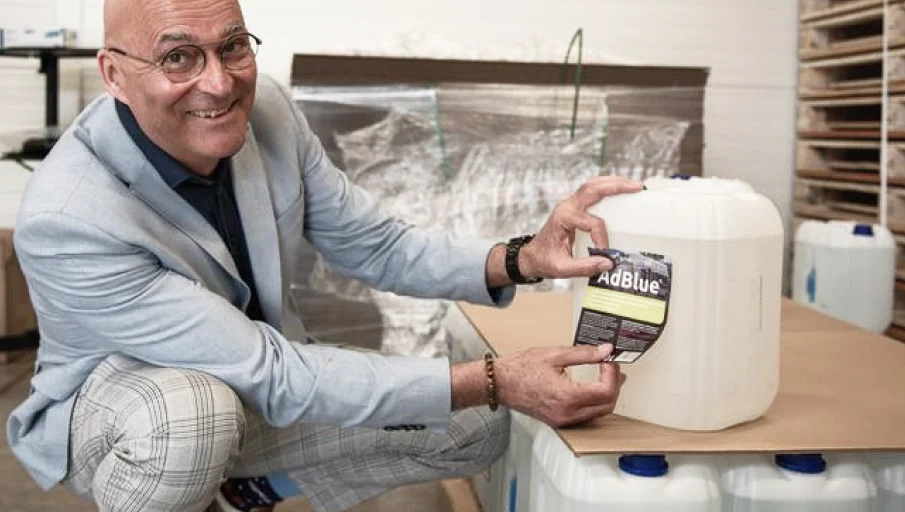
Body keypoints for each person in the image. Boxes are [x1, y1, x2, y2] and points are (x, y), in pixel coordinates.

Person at [7, 0, 642, 511]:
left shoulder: (268, 112)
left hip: (250, 377)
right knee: (193, 415)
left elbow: (377, 243)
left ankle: (246, 491)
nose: (218, 82)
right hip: (125, 412)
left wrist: (520, 258)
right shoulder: (70, 219)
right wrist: (495, 377)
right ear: (115, 74)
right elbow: (270, 369)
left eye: (231, 45)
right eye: (178, 57)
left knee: (478, 425)